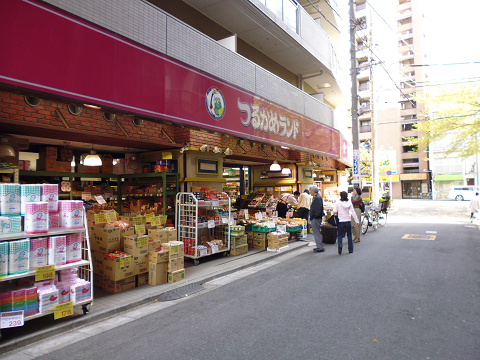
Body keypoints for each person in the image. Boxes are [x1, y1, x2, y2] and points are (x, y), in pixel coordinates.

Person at [309, 185, 324, 253]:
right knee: (317, 231)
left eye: (310, 190)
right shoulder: (317, 197)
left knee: (316, 232)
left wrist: (314, 216)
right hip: (317, 217)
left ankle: (319, 246)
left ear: (313, 191)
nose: (310, 192)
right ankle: (319, 245)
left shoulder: (317, 198)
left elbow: (318, 209)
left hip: (316, 218)